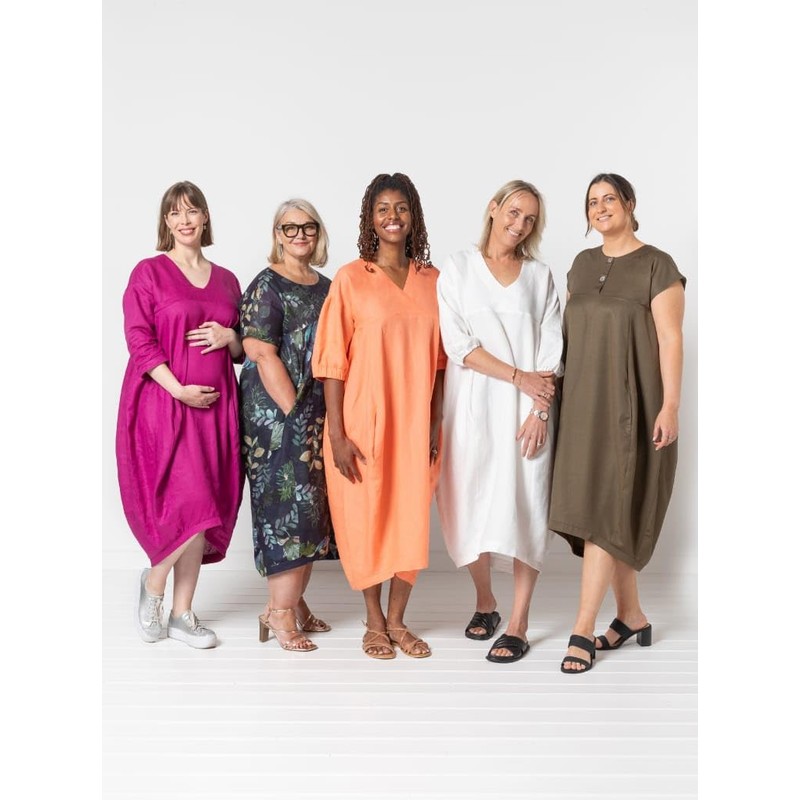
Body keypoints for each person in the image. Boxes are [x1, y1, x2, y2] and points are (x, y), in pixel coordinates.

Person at [549, 173, 686, 674]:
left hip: (633, 407)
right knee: (600, 510)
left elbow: (670, 339)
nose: (600, 208)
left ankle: (582, 628)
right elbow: (566, 337)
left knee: (607, 510)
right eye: (592, 202)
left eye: (609, 198)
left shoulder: (657, 264)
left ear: (629, 204)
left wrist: (670, 406)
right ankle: (631, 616)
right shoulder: (581, 265)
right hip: (582, 404)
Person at [312, 172, 446, 659]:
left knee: (410, 517)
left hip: (415, 423)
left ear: (414, 217)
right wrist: (337, 432)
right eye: (383, 208)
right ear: (370, 218)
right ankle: (373, 621)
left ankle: (397, 621)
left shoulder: (433, 282)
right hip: (362, 421)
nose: (393, 216)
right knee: (366, 517)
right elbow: (331, 362)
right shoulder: (351, 279)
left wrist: (434, 423)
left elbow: (442, 363)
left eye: (402, 208)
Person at [436, 180, 563, 664]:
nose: (519, 224)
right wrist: (517, 377)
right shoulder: (458, 268)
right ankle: (486, 601)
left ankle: (518, 623)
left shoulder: (540, 276)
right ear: (493, 209)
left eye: (530, 219)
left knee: (528, 503)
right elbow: (458, 345)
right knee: (467, 502)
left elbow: (551, 349)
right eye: (513, 212)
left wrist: (540, 409)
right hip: (472, 408)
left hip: (528, 413)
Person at [116, 180, 244, 649]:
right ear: (166, 222)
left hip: (217, 410)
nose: (184, 220)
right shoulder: (149, 272)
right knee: (189, 502)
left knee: (206, 509)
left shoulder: (227, 280)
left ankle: (182, 613)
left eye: (192, 211)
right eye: (175, 213)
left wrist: (230, 339)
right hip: (166, 405)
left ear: (205, 217)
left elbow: (242, 349)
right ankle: (154, 583)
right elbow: (139, 339)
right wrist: (180, 391)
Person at [239, 199, 338, 652]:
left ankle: (293, 601)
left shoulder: (327, 287)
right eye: (290, 227)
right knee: (286, 508)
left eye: (308, 227)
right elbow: (261, 352)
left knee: (311, 508)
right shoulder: (267, 284)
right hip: (277, 415)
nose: (300, 235)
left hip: (314, 409)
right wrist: (294, 416)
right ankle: (278, 612)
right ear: (277, 234)